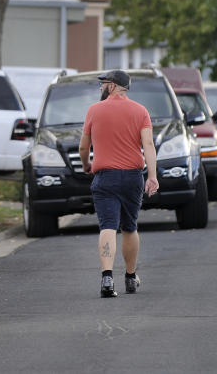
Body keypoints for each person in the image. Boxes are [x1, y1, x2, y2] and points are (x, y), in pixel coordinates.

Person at [79, 69, 159, 298]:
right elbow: (149, 145)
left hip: (105, 178)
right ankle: (131, 278)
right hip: (133, 177)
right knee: (130, 227)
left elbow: (84, 147)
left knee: (107, 226)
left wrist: (86, 164)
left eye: (102, 84)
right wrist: (152, 176)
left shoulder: (94, 111)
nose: (100, 88)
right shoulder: (140, 111)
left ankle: (107, 278)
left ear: (112, 86)